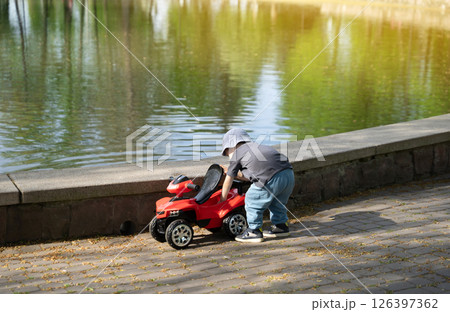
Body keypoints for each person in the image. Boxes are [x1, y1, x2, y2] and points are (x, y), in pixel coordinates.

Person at [219, 128, 295, 243]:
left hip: (270, 177)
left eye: (227, 152)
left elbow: (228, 181)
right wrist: (236, 174)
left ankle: (254, 231)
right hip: (288, 174)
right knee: (277, 202)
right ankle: (281, 226)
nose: (228, 155)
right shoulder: (257, 147)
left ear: (232, 145)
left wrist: (222, 200)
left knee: (252, 199)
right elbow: (254, 175)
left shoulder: (237, 154)